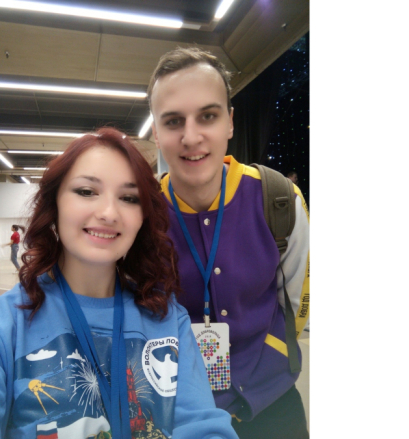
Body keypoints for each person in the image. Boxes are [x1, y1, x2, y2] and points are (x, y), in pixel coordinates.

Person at [0, 127, 238, 439]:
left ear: (142, 218)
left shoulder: (169, 320)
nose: (108, 213)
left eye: (129, 198)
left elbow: (205, 428)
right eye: (86, 191)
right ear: (54, 203)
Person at [148, 47, 310, 438]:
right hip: (178, 411)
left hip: (272, 402)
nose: (191, 137)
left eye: (208, 116)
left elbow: (296, 302)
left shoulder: (279, 199)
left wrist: (273, 349)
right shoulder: (141, 216)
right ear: (155, 132)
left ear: (230, 123)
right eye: (173, 121)